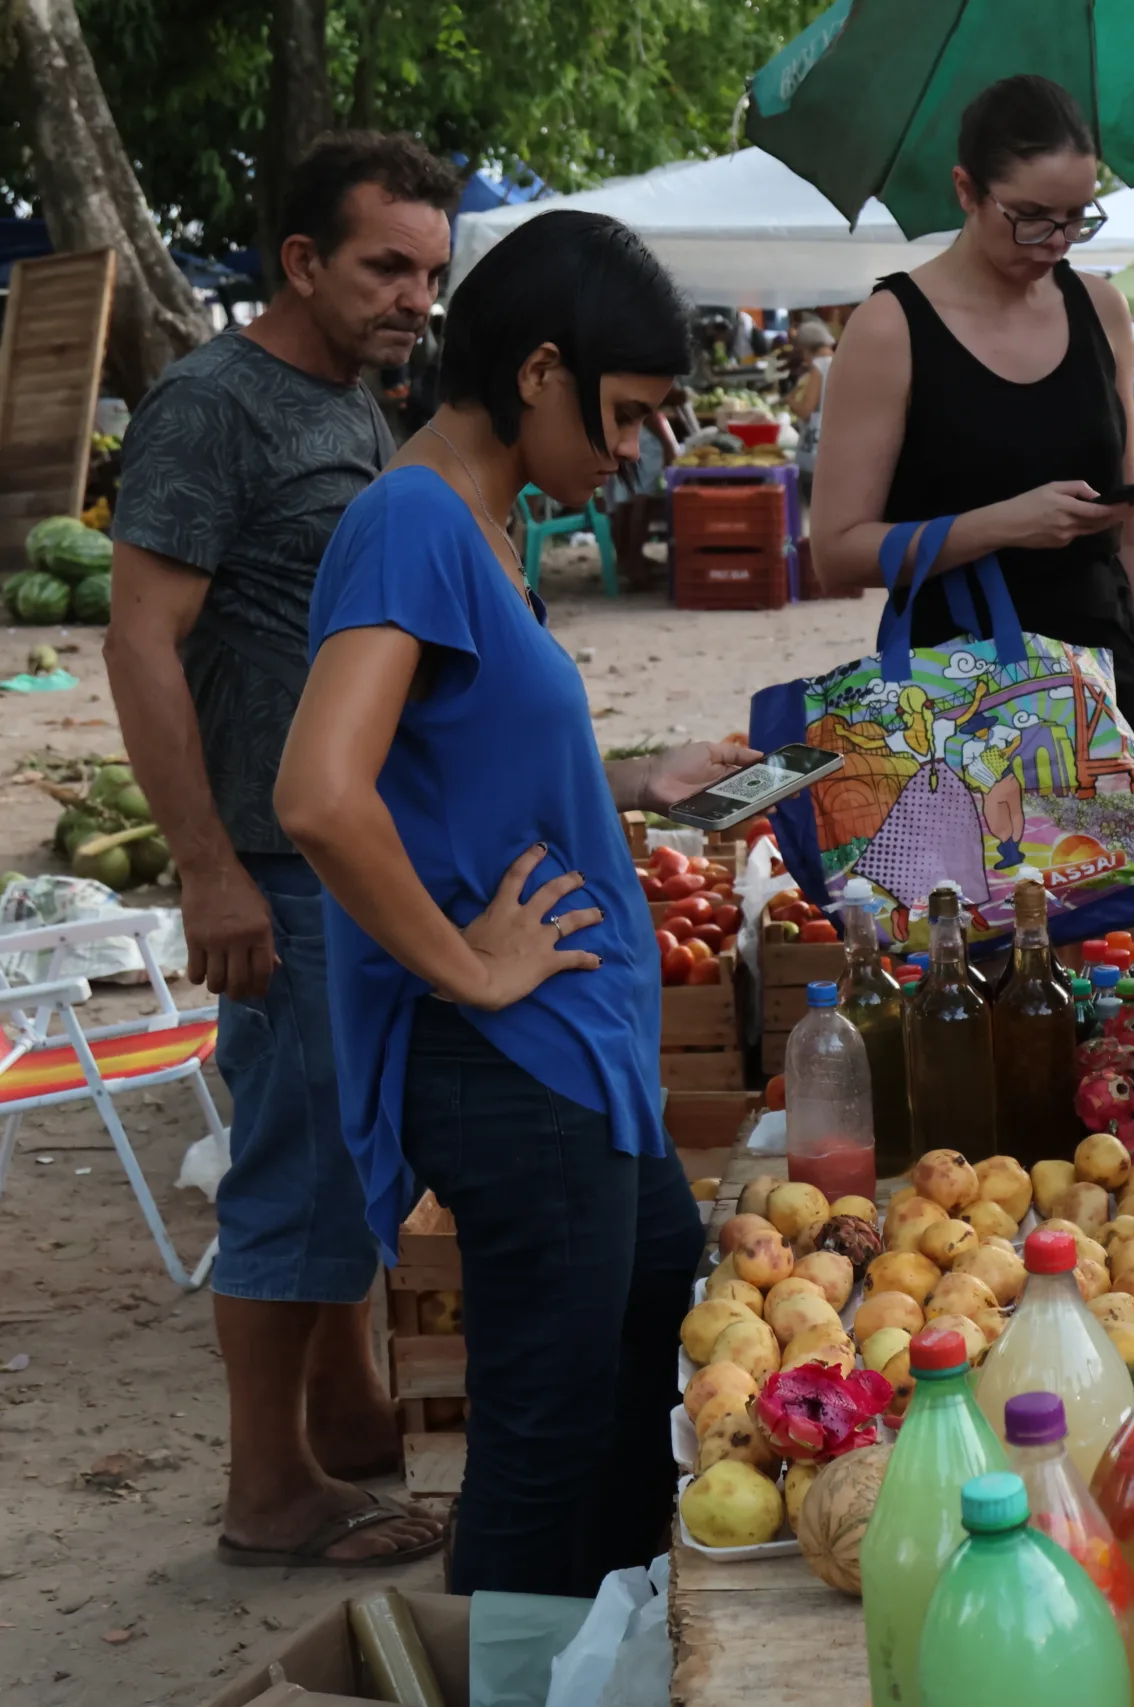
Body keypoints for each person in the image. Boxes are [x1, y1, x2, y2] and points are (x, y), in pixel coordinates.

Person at [271, 209, 753, 1596]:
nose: (632, 453)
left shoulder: (481, 522)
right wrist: (467, 964)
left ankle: (602, 1660)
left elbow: (455, 768)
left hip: (570, 1055)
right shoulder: (412, 518)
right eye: (629, 413)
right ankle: (534, 1677)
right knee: (545, 1439)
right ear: (543, 369)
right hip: (508, 1059)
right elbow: (320, 791)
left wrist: (637, 780)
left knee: (636, 1350)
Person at [105, 132, 459, 1571]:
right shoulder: (211, 406)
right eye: (387, 265)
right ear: (302, 261)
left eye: (433, 272)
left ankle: (350, 1411)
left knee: (343, 1157)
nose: (417, 299)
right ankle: (269, 1489)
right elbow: (139, 642)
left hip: (345, 854)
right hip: (273, 863)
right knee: (293, 1171)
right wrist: (207, 867)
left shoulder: (359, 408)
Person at [809, 74, 1134, 811]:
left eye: (1075, 218)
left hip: (1105, 677)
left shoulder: (1101, 309)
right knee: (979, 921)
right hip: (956, 691)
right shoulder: (889, 328)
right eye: (1031, 217)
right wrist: (1007, 524)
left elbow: (1130, 535)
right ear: (967, 191)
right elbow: (837, 550)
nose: (1055, 242)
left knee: (1125, 924)